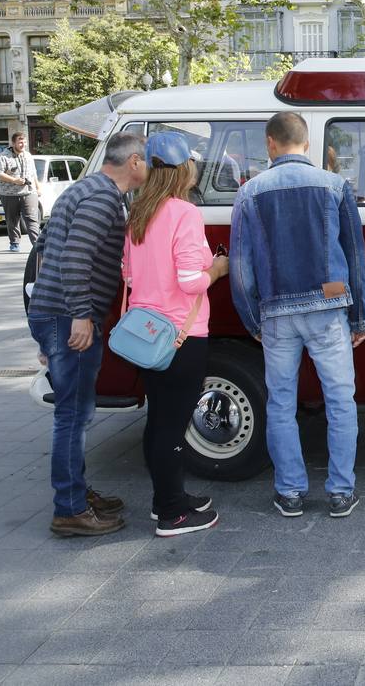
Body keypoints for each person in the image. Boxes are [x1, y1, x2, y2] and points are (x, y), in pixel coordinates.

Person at [230, 111, 365, 519]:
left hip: (276, 310)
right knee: (340, 401)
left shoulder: (249, 192)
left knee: (280, 403)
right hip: (328, 305)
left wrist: (252, 319)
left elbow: (241, 268)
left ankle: (290, 492)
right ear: (307, 144)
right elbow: (355, 256)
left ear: (270, 143)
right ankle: (341, 492)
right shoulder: (335, 185)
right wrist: (360, 316)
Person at [28, 131, 149, 537]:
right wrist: (79, 315)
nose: (149, 169)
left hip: (53, 314)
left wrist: (46, 326)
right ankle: (70, 509)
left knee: (73, 411)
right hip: (68, 317)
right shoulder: (102, 199)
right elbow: (75, 257)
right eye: (147, 161)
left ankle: (76, 492)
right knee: (73, 415)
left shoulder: (81, 190)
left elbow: (43, 249)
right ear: (133, 162)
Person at [122, 132, 228, 537]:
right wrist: (217, 268)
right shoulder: (184, 213)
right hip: (182, 334)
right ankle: (172, 514)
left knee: (159, 420)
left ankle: (166, 497)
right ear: (186, 168)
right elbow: (189, 281)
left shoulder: (138, 212)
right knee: (172, 425)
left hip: (146, 333)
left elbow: (129, 276)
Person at [0, 132, 41, 253]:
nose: (23, 144)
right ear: (13, 143)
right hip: (9, 194)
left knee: (32, 219)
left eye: (24, 142)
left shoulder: (28, 155)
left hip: (29, 192)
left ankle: (37, 244)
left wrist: (38, 188)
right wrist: (14, 180)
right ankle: (14, 243)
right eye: (20, 142)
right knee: (12, 220)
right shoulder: (3, 156)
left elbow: (34, 173)